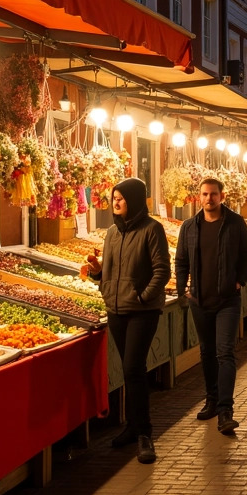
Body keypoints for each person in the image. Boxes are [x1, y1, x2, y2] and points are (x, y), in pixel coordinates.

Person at [86, 177, 170, 464]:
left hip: (142, 311)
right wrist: (97, 273)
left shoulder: (152, 229)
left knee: (134, 368)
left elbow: (162, 270)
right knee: (127, 369)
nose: (116, 202)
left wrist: (144, 297)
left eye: (121, 198)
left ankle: (145, 434)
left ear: (134, 200)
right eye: (114, 197)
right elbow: (107, 272)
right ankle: (133, 428)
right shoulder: (111, 233)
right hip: (116, 309)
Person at [174, 177, 247, 436]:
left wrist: (239, 281)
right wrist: (182, 288)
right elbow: (181, 260)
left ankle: (225, 410)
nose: (209, 198)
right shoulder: (189, 226)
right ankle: (211, 400)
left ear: (222, 196)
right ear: (200, 197)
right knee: (207, 354)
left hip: (227, 301)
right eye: (205, 195)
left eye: (213, 194)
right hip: (199, 300)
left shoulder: (234, 223)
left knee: (225, 353)